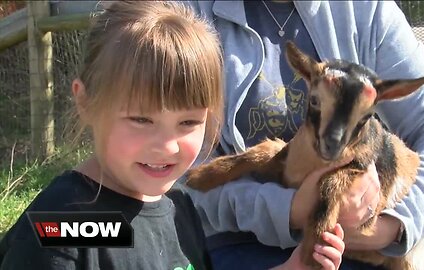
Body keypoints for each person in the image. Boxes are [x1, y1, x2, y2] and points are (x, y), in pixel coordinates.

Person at [0, 1, 346, 270]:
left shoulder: (180, 208)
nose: (167, 145)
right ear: (85, 102)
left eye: (188, 123)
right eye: (140, 119)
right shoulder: (64, 225)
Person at [179, 1, 424, 269]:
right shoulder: (188, 11)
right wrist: (292, 211)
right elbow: (178, 173)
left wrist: (395, 227)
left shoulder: (363, 9)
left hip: (368, 245)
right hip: (240, 240)